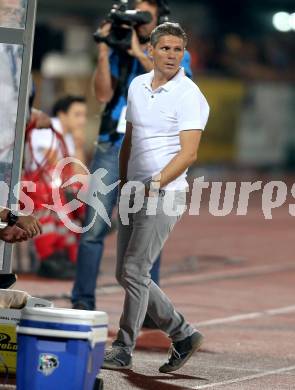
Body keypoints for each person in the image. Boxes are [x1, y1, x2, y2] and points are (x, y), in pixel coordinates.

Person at [71, 0, 193, 322]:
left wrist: (142, 52)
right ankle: (82, 303)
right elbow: (101, 94)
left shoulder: (173, 51)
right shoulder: (117, 49)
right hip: (113, 143)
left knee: (146, 229)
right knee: (94, 226)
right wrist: (103, 49)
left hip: (153, 149)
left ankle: (150, 313)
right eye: (136, 13)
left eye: (147, 15)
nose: (140, 20)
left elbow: (179, 84)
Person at [102, 22, 210, 372]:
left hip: (165, 194)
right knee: (125, 272)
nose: (171, 55)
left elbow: (189, 153)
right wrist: (122, 184)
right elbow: (129, 140)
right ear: (150, 50)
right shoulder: (136, 86)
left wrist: (155, 181)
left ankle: (123, 346)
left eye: (178, 50)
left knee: (135, 269)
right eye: (165, 48)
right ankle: (183, 334)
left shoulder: (189, 95)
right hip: (132, 190)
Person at [24, 96, 87, 279]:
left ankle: (63, 255)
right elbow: (52, 162)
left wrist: (78, 145)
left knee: (78, 190)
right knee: (64, 200)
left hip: (55, 190)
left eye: (84, 115)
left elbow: (80, 171)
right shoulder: (47, 127)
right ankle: (51, 257)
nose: (82, 120)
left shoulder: (68, 137)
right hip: (34, 188)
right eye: (77, 115)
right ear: (62, 115)